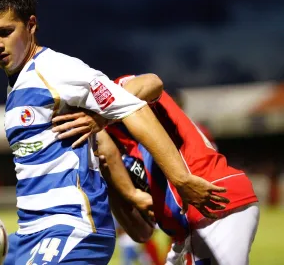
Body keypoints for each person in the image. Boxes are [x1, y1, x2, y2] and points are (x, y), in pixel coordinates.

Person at [0, 0, 228, 264]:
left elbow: (134, 108)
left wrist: (181, 178)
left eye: (5, 32)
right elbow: (103, 146)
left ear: (31, 25)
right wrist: (131, 195)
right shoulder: (18, 86)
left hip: (70, 230)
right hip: (29, 233)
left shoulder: (55, 70)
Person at [53, 74, 259, 265]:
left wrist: (101, 116)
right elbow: (141, 233)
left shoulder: (111, 97)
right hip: (187, 232)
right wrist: (116, 185)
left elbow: (153, 82)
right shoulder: (115, 166)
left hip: (212, 207)